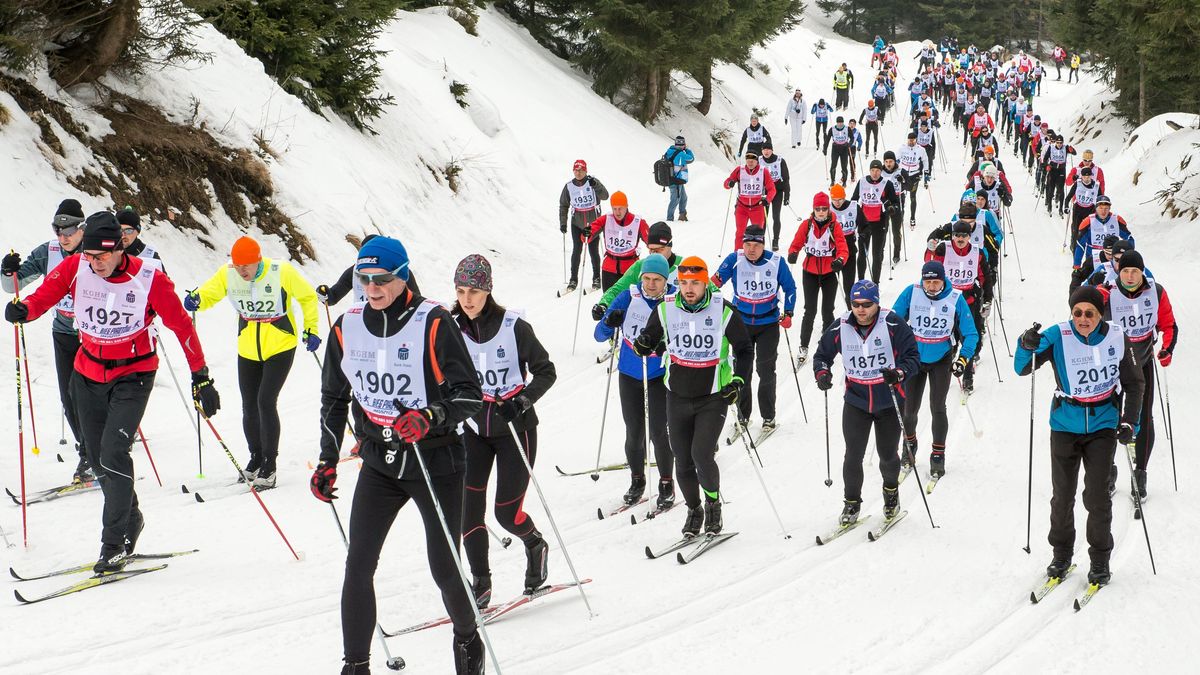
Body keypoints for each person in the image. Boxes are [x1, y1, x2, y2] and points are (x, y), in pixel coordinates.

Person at [310, 236, 486, 674]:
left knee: (445, 569)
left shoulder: (434, 321)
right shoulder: (346, 326)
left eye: (381, 279)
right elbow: (334, 397)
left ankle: (467, 641)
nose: (371, 288)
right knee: (358, 566)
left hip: (436, 462)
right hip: (380, 462)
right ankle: (355, 665)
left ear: (402, 275)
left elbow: (470, 396)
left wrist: (430, 416)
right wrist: (327, 459)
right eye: (363, 278)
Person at [5, 212, 219, 572]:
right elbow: (45, 295)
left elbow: (182, 327)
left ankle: (114, 542)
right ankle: (130, 518)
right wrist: (24, 310)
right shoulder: (77, 266)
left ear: (120, 247)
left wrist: (201, 376)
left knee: (113, 453)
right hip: (86, 373)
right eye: (90, 256)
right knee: (94, 453)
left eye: (102, 255)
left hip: (133, 376)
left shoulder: (150, 278)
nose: (96, 263)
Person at [1014, 285, 1145, 588]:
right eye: (1077, 313)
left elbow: (1135, 383)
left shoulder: (1117, 336)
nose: (1083, 319)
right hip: (1064, 424)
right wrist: (1026, 343)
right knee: (1062, 496)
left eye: (1090, 313)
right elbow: (1022, 367)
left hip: (1102, 424)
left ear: (1101, 314)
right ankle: (1061, 555)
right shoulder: (1058, 335)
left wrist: (1129, 423)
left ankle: (1100, 560)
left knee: (1097, 496)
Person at [452, 254, 557, 609]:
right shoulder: (451, 329)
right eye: (462, 290)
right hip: (473, 430)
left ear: (488, 291)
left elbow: (546, 371)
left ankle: (534, 543)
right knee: (468, 512)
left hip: (516, 428)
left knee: (506, 514)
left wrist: (523, 399)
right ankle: (481, 582)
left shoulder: (514, 327)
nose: (468, 299)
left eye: (475, 291)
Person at [185, 236, 320, 488]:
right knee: (249, 405)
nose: (242, 271)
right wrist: (197, 299)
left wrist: (311, 329)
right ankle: (256, 457)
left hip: (280, 344)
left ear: (258, 260)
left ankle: (270, 465)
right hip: (248, 347)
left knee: (265, 401)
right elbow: (210, 292)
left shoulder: (282, 271)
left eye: (246, 265)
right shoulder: (229, 273)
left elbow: (307, 297)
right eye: (237, 265)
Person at [632, 257, 752, 537]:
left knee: (701, 454)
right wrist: (644, 344)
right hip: (677, 395)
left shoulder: (723, 310)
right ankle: (694, 509)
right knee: (682, 459)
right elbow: (650, 338)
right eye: (684, 282)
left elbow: (745, 349)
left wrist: (738, 382)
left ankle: (713, 506)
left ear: (705, 282)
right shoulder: (666, 309)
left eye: (695, 283)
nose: (688, 288)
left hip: (713, 396)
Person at [813, 280, 920, 525]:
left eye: (867, 304)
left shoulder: (892, 322)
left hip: (888, 401)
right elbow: (822, 354)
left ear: (877, 303)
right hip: (856, 401)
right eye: (855, 304)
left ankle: (891, 494)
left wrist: (899, 374)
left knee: (887, 455)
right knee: (852, 455)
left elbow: (913, 357)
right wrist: (822, 373)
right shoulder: (841, 325)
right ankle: (851, 504)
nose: (860, 310)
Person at [1, 199, 93, 483]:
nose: (63, 236)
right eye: (58, 229)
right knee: (70, 396)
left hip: (96, 334)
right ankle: (88, 455)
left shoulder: (97, 251)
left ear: (82, 228)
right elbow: (11, 286)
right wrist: (7, 271)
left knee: (92, 395)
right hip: (64, 332)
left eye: (69, 230)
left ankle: (109, 446)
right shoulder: (48, 251)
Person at [595, 254, 676, 509]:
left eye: (657, 280)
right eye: (647, 278)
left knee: (658, 432)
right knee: (634, 432)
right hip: (630, 372)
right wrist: (609, 321)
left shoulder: (674, 300)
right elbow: (599, 335)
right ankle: (637, 480)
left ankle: (666, 483)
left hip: (658, 375)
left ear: (666, 280)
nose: (651, 284)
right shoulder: (630, 296)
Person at [1097, 251, 1177, 501]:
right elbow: (1083, 315)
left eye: (1135, 271)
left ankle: (1140, 472)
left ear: (1143, 272)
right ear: (1118, 272)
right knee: (1109, 418)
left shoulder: (1157, 292)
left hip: (1142, 363)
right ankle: (1108, 471)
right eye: (1125, 271)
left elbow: (1169, 324)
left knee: (1143, 417)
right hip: (1112, 365)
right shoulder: (1107, 293)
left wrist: (1166, 348)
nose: (1130, 276)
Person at [892, 261, 979, 477]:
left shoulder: (955, 298)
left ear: (943, 280)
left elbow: (971, 334)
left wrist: (963, 359)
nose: (931, 286)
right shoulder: (911, 292)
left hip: (941, 357)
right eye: (927, 281)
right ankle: (909, 445)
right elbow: (892, 321)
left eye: (936, 281)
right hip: (913, 358)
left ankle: (938, 454)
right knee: (910, 409)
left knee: (937, 407)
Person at [712, 225, 796, 435]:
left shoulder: (776, 262)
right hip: (740, 323)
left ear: (763, 245)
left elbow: (790, 287)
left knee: (765, 370)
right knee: (743, 371)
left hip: (768, 324)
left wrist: (789, 312)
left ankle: (768, 416)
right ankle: (743, 415)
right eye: (747, 244)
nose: (751, 249)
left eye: (756, 245)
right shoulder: (735, 259)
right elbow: (714, 284)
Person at [927, 217, 992, 392]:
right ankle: (946, 369)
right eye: (957, 235)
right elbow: (930, 265)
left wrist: (988, 298)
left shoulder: (977, 253)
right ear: (952, 236)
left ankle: (968, 376)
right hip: (946, 301)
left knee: (969, 339)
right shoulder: (944, 249)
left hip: (968, 301)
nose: (960, 239)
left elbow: (985, 277)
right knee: (949, 338)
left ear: (970, 237)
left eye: (964, 235)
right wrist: (930, 248)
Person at [787, 193, 848, 366]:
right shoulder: (806, 225)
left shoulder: (834, 226)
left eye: (824, 209)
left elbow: (843, 248)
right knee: (810, 310)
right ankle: (803, 346)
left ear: (828, 209)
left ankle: (827, 345)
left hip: (830, 273)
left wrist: (840, 260)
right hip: (810, 273)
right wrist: (793, 253)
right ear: (813, 210)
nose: (821, 212)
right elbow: (796, 243)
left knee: (827, 310)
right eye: (818, 209)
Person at [318, 234, 422, 306]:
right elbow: (334, 297)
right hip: (363, 322)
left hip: (393, 320)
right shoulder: (353, 272)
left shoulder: (396, 270)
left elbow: (416, 301)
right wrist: (325, 295)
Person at [558, 159, 610, 292]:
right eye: (576, 170)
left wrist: (596, 185)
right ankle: (573, 279)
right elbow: (563, 205)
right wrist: (563, 223)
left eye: (581, 170)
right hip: (577, 223)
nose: (578, 172)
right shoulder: (569, 186)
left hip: (593, 223)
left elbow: (605, 196)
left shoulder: (592, 182)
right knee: (577, 250)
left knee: (593, 251)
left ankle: (596, 278)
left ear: (586, 170)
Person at [584, 191, 649, 291]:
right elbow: (590, 232)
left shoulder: (638, 222)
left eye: (620, 208)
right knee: (608, 301)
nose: (617, 212)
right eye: (614, 209)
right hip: (609, 268)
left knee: (629, 302)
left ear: (626, 206)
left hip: (630, 269)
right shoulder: (606, 219)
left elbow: (650, 240)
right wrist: (587, 233)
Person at [850, 159, 900, 283]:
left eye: (878, 171)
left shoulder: (886, 183)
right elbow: (854, 200)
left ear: (881, 171)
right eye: (873, 170)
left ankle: (875, 283)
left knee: (876, 255)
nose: (875, 173)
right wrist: (855, 214)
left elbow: (895, 202)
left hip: (879, 223)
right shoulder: (862, 182)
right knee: (862, 255)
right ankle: (860, 281)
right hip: (864, 224)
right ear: (870, 171)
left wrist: (892, 208)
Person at [724, 152, 776, 251]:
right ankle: (738, 255)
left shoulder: (763, 171)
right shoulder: (740, 170)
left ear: (757, 160)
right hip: (742, 207)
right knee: (740, 232)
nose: (750, 161)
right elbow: (726, 182)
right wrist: (729, 183)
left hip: (757, 208)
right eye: (748, 158)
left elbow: (772, 189)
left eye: (753, 159)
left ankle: (758, 255)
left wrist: (767, 199)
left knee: (758, 234)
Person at [1073, 195, 1133, 270]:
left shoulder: (1116, 220)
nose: (1103, 211)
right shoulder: (1088, 222)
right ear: (1096, 208)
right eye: (1100, 208)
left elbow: (1129, 238)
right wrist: (1077, 265)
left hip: (1113, 259)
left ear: (1109, 209)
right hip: (1093, 259)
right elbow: (1080, 245)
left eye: (1106, 208)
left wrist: (1129, 256)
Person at [829, 183, 863, 306]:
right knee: (831, 285)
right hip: (832, 251)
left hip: (849, 250)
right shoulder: (827, 209)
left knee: (849, 284)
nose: (837, 203)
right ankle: (829, 312)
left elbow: (864, 224)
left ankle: (850, 310)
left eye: (840, 200)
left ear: (844, 197)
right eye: (834, 200)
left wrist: (863, 233)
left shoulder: (854, 207)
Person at [758, 143, 791, 251]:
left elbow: (786, 178)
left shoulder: (780, 160)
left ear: (772, 150)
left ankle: (775, 240)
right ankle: (760, 240)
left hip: (777, 191)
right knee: (763, 217)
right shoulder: (759, 160)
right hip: (764, 192)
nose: (766, 152)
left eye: (768, 149)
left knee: (775, 216)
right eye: (764, 150)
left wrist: (787, 195)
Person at [897, 133, 930, 230]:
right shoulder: (902, 148)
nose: (911, 142)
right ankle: (901, 215)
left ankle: (912, 217)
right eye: (909, 140)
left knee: (912, 196)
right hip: (903, 174)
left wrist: (926, 171)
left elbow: (925, 160)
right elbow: (896, 158)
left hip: (914, 175)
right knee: (901, 195)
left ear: (916, 140)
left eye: (913, 140)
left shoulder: (920, 149)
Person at [1063, 167, 1101, 253]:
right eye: (1084, 176)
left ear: (1091, 176)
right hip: (1078, 209)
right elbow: (1068, 197)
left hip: (1090, 209)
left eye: (1088, 176)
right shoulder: (1078, 183)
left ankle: (1087, 246)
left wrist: (1101, 210)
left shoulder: (1096, 185)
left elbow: (1100, 199)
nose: (1086, 178)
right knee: (1076, 229)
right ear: (1082, 176)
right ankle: (1074, 246)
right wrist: (1065, 206)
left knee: (1088, 229)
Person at [115, 207, 164, 271]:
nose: (123, 235)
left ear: (138, 231)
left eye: (128, 231)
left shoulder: (150, 255)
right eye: (120, 230)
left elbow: (163, 280)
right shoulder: (107, 251)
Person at [1041, 134, 1077, 215]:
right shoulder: (1051, 147)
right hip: (1053, 169)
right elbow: (1045, 159)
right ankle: (1049, 205)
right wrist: (1046, 166)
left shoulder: (1065, 147)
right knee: (1051, 188)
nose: (1059, 144)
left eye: (1061, 142)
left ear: (1063, 142)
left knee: (1061, 190)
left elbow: (1075, 153)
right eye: (1058, 142)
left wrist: (1072, 150)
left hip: (1061, 170)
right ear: (1055, 142)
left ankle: (1061, 208)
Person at [664, 135, 695, 222]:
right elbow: (691, 159)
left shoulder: (670, 151)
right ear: (683, 145)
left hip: (675, 179)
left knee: (683, 198)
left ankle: (682, 215)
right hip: (676, 180)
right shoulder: (681, 154)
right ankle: (669, 218)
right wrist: (687, 150)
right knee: (675, 199)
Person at [824, 116, 853, 185]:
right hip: (835, 148)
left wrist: (850, 144)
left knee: (844, 166)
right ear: (837, 123)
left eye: (841, 122)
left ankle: (844, 181)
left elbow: (852, 138)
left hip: (844, 148)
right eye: (839, 122)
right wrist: (825, 148)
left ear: (843, 122)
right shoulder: (832, 129)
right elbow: (827, 139)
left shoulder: (847, 128)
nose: (840, 124)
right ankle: (832, 180)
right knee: (833, 165)